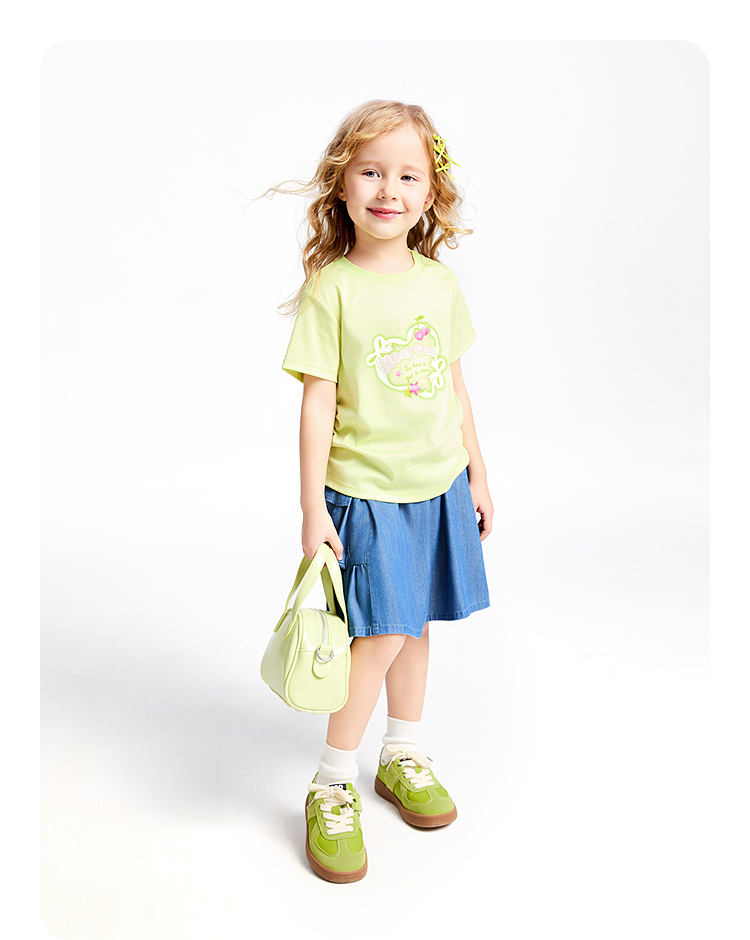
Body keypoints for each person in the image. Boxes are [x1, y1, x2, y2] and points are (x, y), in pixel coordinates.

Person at [275, 100, 493, 883]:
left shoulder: (439, 284)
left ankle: (401, 751)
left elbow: (455, 387)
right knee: (378, 635)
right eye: (371, 172)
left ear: (432, 191)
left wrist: (478, 471)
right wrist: (312, 506)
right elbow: (317, 403)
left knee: (415, 625)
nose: (388, 190)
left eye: (407, 176)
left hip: (436, 487)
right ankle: (332, 781)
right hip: (364, 494)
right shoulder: (332, 290)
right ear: (342, 185)